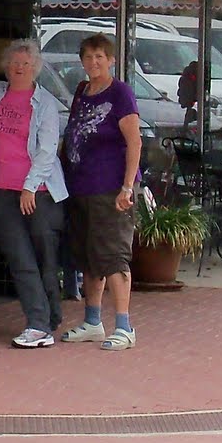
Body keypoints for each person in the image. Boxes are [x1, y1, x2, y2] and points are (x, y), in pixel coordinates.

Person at [0, 39, 69, 349]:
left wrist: (29, 186)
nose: (19, 68)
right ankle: (38, 324)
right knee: (20, 258)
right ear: (6, 66)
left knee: (45, 260)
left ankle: (51, 317)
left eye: (26, 64)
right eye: (14, 62)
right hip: (2, 191)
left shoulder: (45, 103)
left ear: (35, 68)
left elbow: (47, 149)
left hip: (39, 194)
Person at [59, 33, 141, 351]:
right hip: (81, 186)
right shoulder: (82, 90)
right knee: (89, 257)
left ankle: (124, 326)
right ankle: (93, 321)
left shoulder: (120, 93)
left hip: (111, 188)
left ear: (111, 60)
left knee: (113, 255)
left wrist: (127, 186)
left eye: (99, 57)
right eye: (88, 57)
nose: (93, 62)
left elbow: (134, 141)